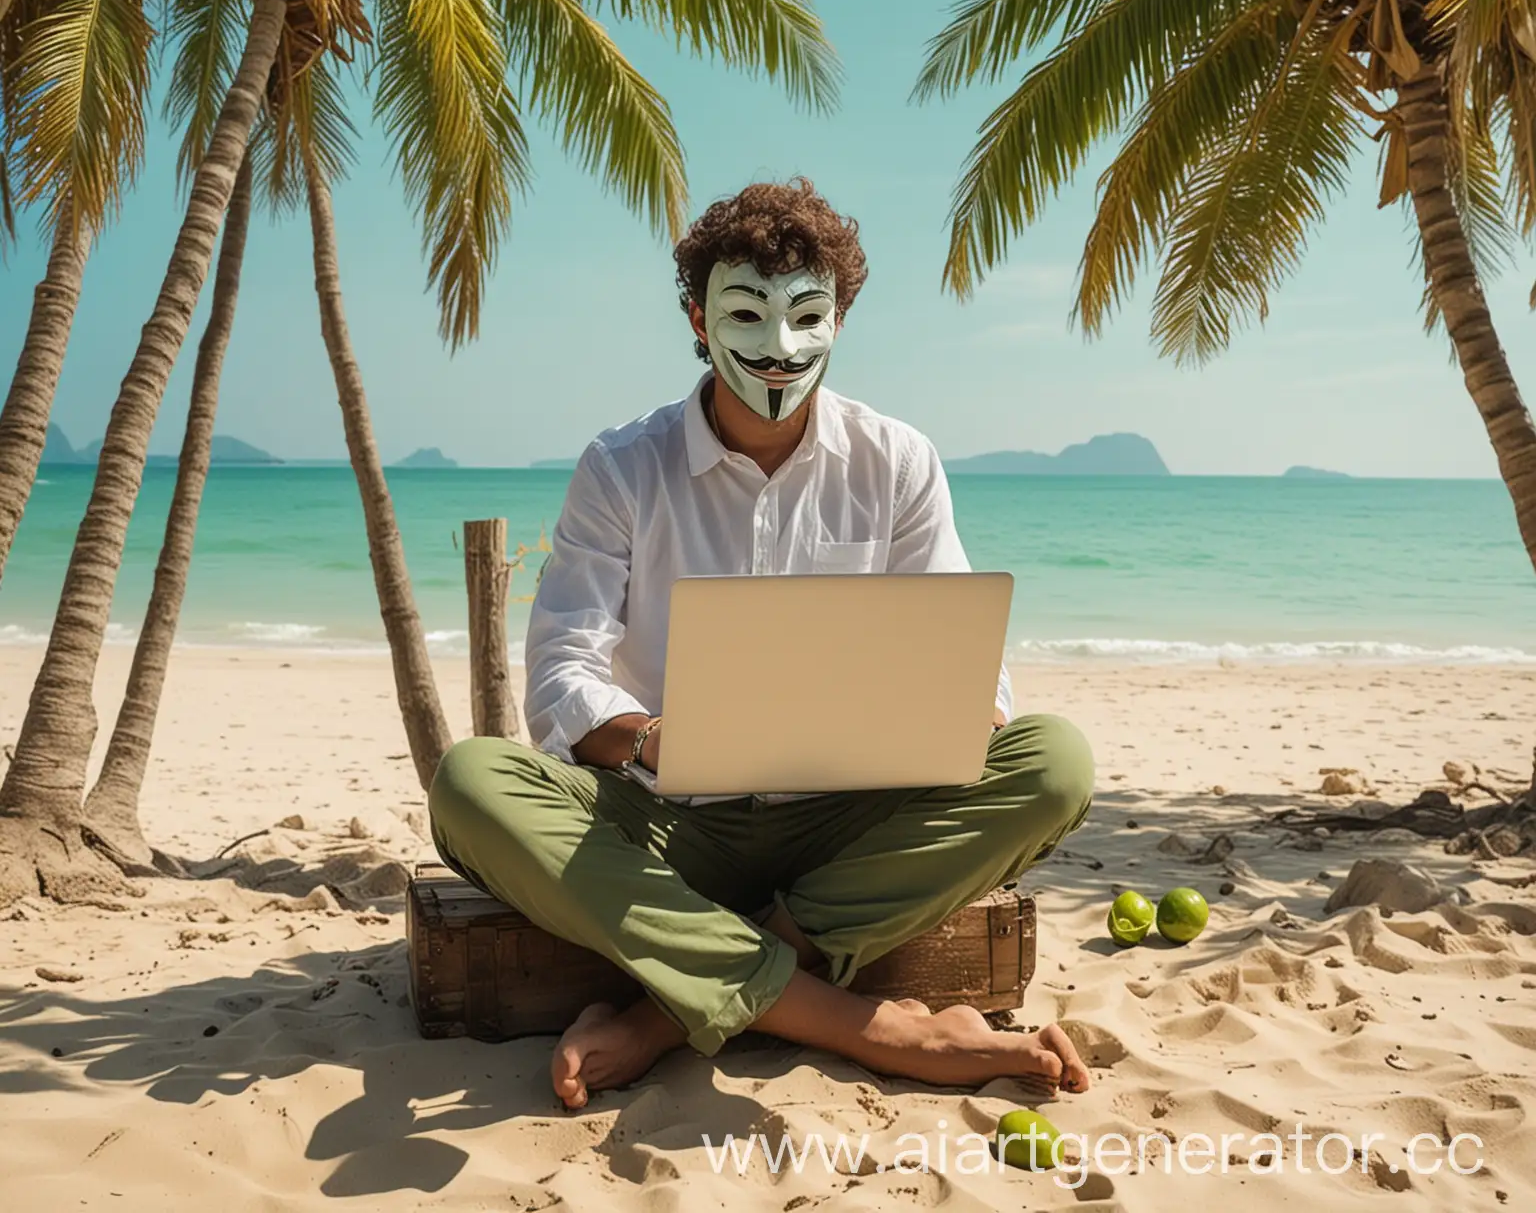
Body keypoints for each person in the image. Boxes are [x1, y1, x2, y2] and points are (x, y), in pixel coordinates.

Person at [429, 179, 1095, 1108]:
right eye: (746, 312)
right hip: (669, 822)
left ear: (840, 320)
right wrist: (658, 737)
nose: (778, 349)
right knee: (472, 784)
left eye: (806, 316)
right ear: (699, 320)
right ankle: (872, 1028)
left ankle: (661, 1018)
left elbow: (969, 657)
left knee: (1056, 761)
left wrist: (964, 715)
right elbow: (562, 674)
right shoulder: (623, 466)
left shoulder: (897, 459)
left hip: (845, 822)